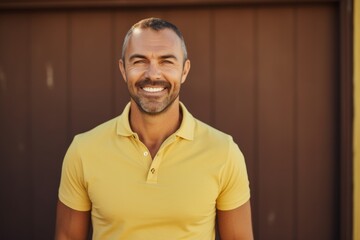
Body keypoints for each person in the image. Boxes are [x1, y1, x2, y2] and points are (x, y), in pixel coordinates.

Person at [55, 17, 253, 240]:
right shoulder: (83, 150)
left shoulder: (224, 151)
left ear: (185, 71)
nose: (153, 74)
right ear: (123, 70)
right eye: (139, 61)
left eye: (166, 61)